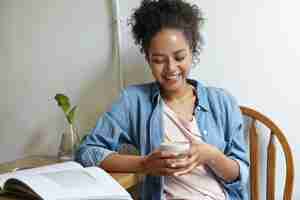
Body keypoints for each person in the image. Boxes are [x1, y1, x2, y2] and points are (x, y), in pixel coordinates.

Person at [75, 0, 249, 199]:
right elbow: (87, 153)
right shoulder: (133, 101)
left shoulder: (223, 102)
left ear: (192, 51)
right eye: (158, 60)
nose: (170, 68)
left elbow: (239, 175)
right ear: (148, 58)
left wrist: (211, 155)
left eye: (179, 57)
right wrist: (144, 164)